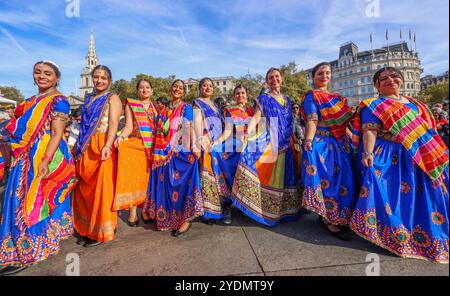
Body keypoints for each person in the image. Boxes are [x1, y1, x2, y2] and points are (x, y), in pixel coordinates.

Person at [350, 67, 449, 263]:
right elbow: (370, 131)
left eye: (394, 76)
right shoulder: (373, 105)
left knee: (424, 196)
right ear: (377, 85)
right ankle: (397, 233)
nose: (390, 80)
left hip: (419, 155)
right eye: (383, 78)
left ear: (402, 81)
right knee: (393, 195)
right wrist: (368, 153)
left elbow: (429, 131)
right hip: (390, 154)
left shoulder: (418, 105)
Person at [0, 61, 75, 275]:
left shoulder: (59, 101)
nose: (42, 76)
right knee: (17, 199)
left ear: (57, 78)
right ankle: (13, 247)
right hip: (23, 157)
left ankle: (29, 250)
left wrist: (46, 159)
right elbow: (14, 129)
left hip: (43, 156)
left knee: (33, 202)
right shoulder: (28, 102)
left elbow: (57, 133)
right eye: (38, 72)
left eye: (48, 74)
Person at [231, 68, 300, 227]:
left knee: (285, 176)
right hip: (271, 140)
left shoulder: (287, 99)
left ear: (281, 79)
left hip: (286, 141)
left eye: (276, 76)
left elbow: (291, 120)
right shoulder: (263, 98)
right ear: (267, 81)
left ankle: (285, 211)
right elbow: (256, 117)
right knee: (269, 173)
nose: (274, 79)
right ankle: (267, 211)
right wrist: (248, 134)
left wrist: (294, 137)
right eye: (270, 77)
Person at [300, 62, 355, 241]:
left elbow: (345, 123)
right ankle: (327, 218)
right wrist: (308, 141)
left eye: (327, 73)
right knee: (326, 181)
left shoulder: (338, 98)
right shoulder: (312, 96)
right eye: (320, 73)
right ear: (313, 77)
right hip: (322, 143)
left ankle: (341, 216)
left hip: (339, 143)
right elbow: (312, 120)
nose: (324, 76)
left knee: (344, 180)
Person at [144, 79, 203, 236]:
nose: (177, 89)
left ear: (183, 92)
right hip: (163, 154)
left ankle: (185, 220)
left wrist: (195, 147)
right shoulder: (163, 110)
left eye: (180, 88)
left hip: (181, 151)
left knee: (182, 184)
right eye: (175, 86)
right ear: (171, 89)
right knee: (167, 186)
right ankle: (167, 218)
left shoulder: (186, 108)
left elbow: (189, 127)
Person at [72, 65, 122, 247]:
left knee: (101, 190)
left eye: (103, 77)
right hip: (86, 147)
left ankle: (102, 230)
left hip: (102, 146)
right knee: (86, 190)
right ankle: (88, 227)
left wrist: (108, 145)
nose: (99, 80)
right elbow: (83, 125)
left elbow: (114, 123)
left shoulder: (113, 98)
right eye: (96, 77)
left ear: (109, 80)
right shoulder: (89, 99)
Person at [113, 78, 157, 226]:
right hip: (136, 144)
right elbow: (128, 126)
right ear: (137, 90)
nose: (144, 90)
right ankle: (133, 213)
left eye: (147, 87)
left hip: (152, 147)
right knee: (133, 179)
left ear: (152, 90)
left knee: (147, 180)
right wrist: (121, 137)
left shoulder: (156, 107)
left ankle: (144, 210)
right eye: (141, 88)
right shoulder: (131, 104)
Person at [213, 85, 254, 225]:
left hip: (251, 145)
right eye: (237, 93)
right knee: (229, 172)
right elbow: (228, 131)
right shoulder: (230, 110)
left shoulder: (253, 110)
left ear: (247, 94)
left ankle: (245, 204)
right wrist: (217, 143)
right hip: (235, 144)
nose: (240, 95)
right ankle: (227, 205)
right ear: (234, 95)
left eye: (243, 93)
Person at [193, 78, 228, 223]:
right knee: (208, 174)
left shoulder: (215, 105)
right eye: (204, 85)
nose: (207, 88)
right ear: (200, 88)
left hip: (219, 142)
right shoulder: (197, 103)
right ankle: (209, 212)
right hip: (207, 141)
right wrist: (201, 138)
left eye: (210, 86)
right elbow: (197, 122)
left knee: (220, 174)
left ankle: (221, 206)